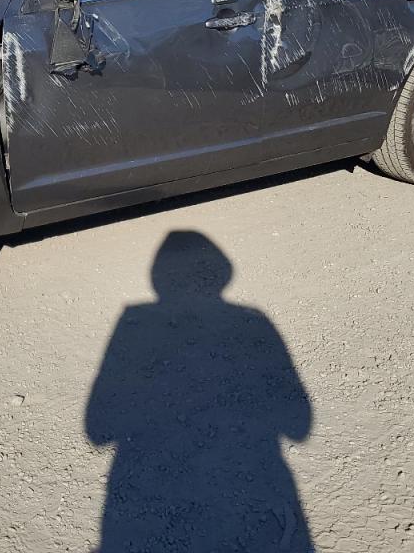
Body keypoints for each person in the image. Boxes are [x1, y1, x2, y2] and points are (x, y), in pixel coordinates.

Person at [86, 230, 313, 551]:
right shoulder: (253, 321)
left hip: (145, 497)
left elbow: (97, 429)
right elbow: (299, 425)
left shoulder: (133, 320)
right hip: (249, 491)